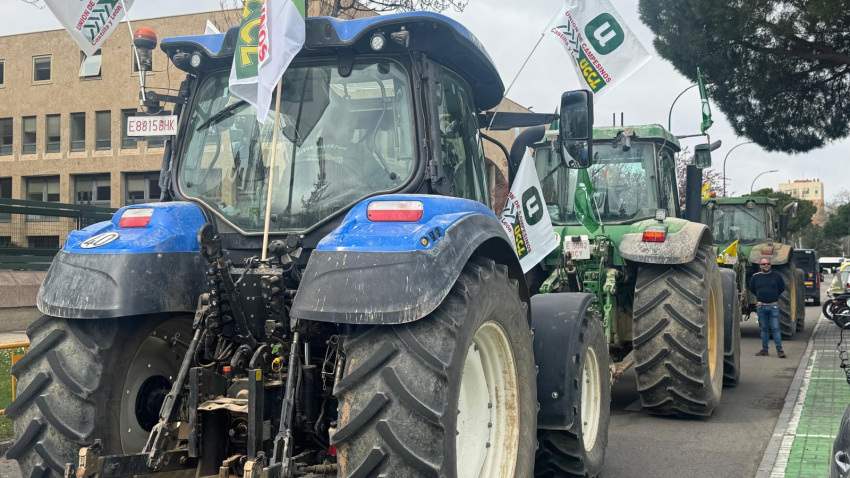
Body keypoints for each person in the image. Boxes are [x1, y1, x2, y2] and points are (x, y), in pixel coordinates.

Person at [749, 258, 787, 358]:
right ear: (760, 266)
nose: (766, 265)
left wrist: (772, 296)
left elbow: (781, 288)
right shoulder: (755, 277)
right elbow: (752, 289)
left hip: (773, 306)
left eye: (768, 264)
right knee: (764, 329)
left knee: (775, 328)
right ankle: (764, 350)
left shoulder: (777, 276)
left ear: (771, 265)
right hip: (761, 307)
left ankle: (780, 350)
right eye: (764, 264)